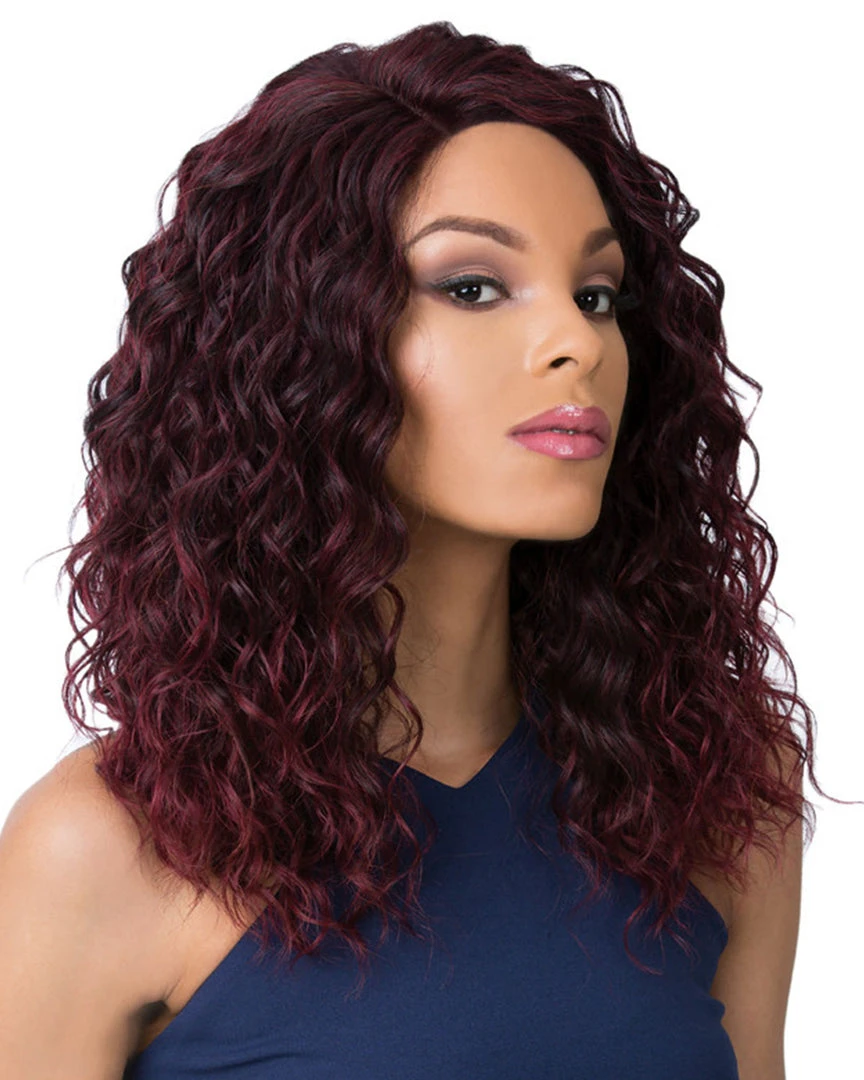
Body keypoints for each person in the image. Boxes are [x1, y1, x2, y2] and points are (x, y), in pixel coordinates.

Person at [0, 20, 831, 1079]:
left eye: (598, 294)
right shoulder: (104, 847)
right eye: (473, 287)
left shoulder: (719, 794)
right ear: (299, 344)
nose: (577, 342)